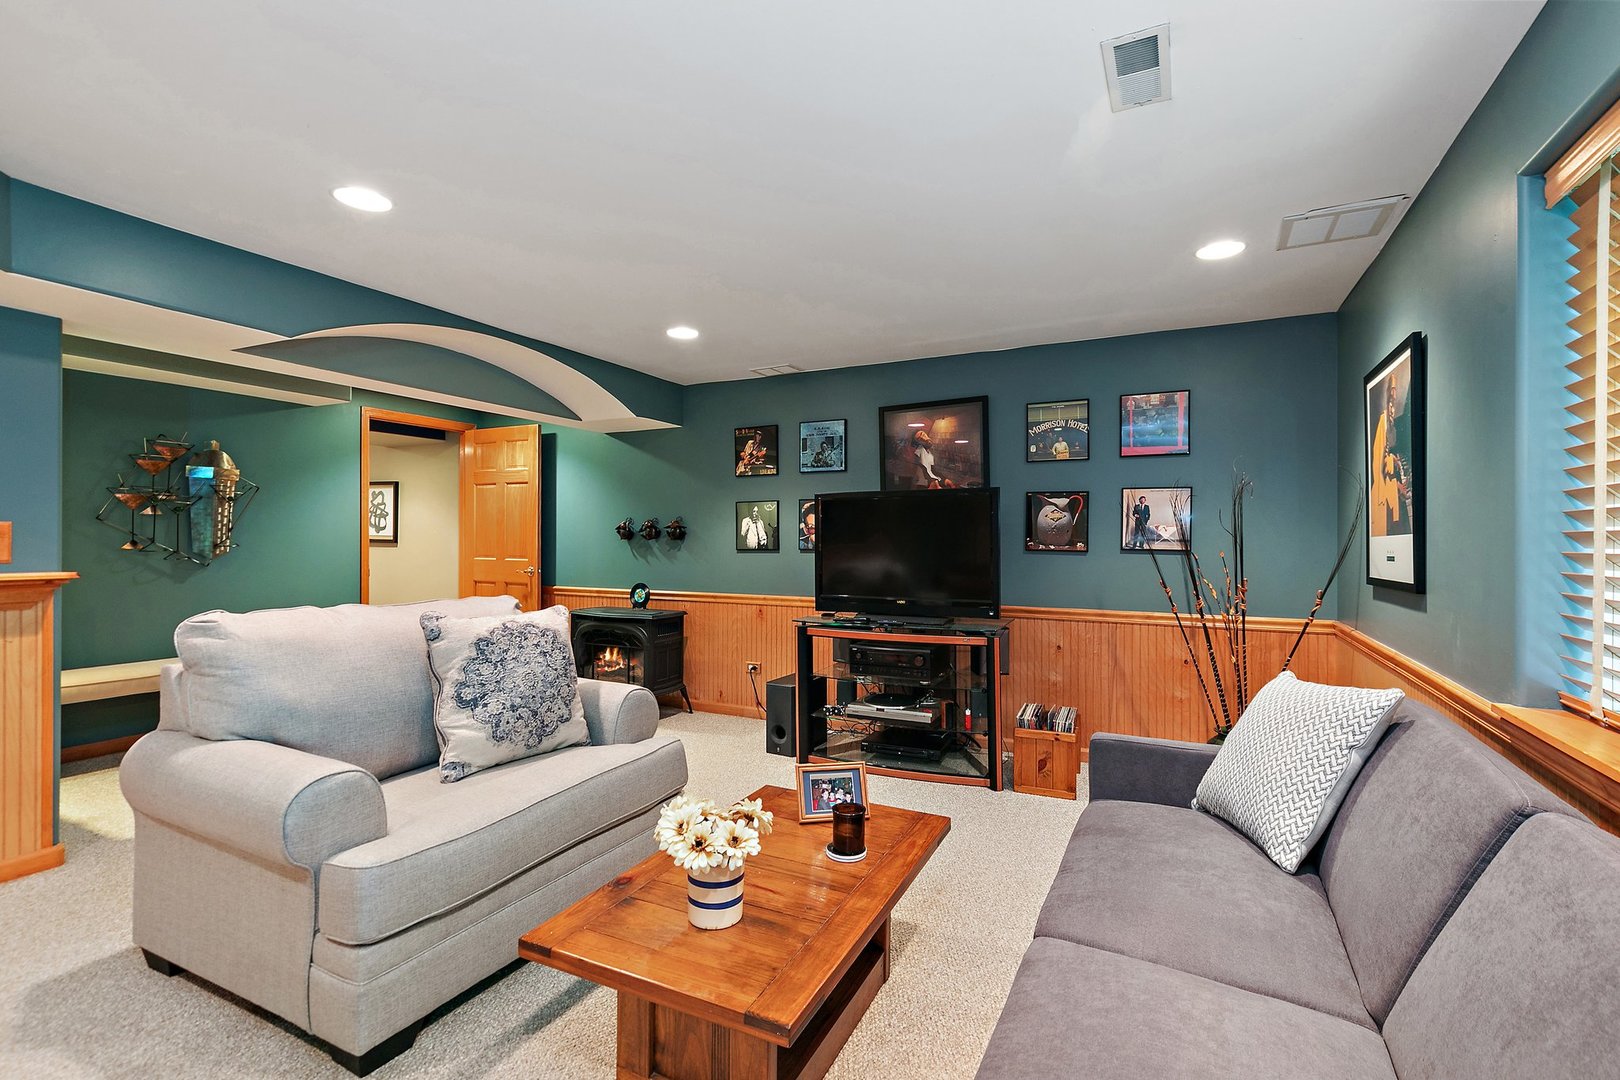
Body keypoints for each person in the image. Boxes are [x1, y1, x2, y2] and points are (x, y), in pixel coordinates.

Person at [1372, 385, 1411, 536]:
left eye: (1394, 401)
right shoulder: (1383, 423)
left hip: (1393, 495)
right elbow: (1379, 467)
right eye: (1391, 400)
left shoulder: (1391, 426)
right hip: (1386, 498)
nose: (1392, 406)